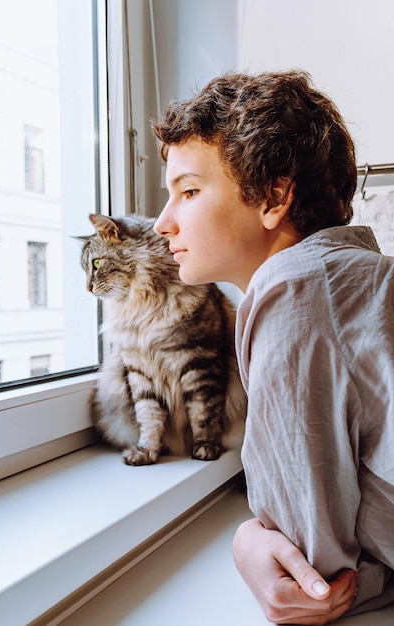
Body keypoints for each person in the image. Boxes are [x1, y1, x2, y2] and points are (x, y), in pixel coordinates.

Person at [151, 70, 394, 625]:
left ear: (273, 196)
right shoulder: (360, 279)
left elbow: (320, 583)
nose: (164, 223)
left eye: (188, 191)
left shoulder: (293, 293)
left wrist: (245, 541)